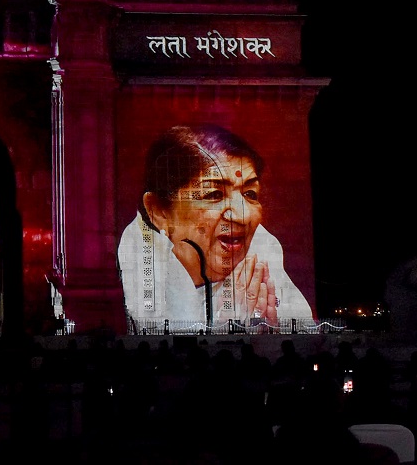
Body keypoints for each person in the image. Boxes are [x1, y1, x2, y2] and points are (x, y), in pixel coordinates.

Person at [117, 123, 314, 332]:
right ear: (159, 211)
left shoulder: (262, 248)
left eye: (250, 194)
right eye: (214, 195)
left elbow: (308, 337)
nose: (244, 216)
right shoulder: (135, 262)